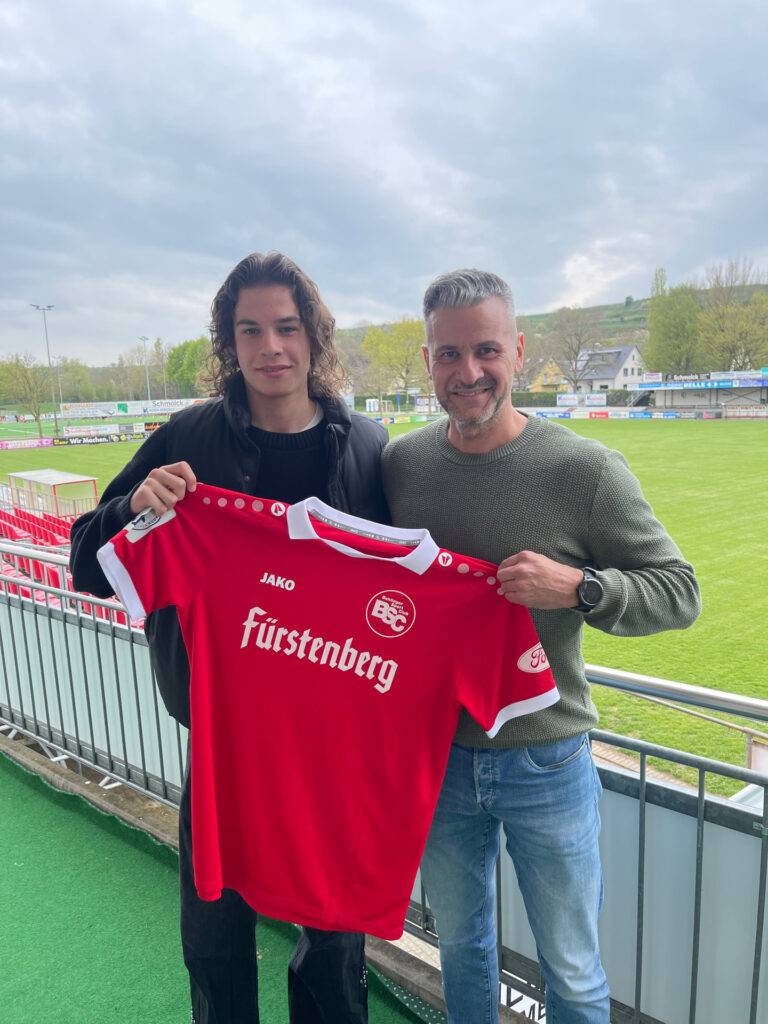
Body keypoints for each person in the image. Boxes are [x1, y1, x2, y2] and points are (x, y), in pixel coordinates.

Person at [70, 251, 388, 1024]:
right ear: (229, 342)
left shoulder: (368, 447)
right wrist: (132, 512)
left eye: (286, 327)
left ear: (314, 337)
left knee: (335, 941)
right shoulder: (187, 439)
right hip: (223, 743)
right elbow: (87, 560)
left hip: (327, 743)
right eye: (250, 330)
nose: (270, 348)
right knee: (215, 936)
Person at [381, 268, 701, 1024]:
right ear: (427, 362)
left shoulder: (583, 470)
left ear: (518, 351)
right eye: (449, 354)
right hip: (441, 758)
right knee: (460, 948)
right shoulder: (400, 466)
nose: (469, 372)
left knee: (574, 971)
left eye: (486, 350)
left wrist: (582, 588)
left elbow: (679, 591)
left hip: (548, 760)